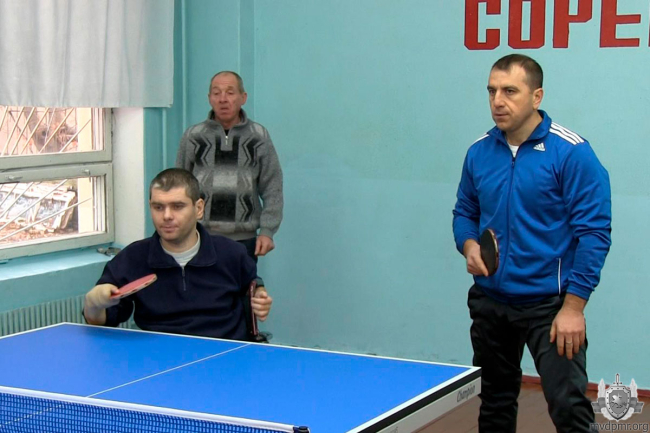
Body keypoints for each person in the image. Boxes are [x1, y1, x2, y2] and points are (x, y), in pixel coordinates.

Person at [452, 54, 611, 432]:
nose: (497, 101)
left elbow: (594, 234)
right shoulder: (479, 152)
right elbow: (465, 212)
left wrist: (574, 307)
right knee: (494, 404)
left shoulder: (571, 152)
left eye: (510, 91)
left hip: (551, 308)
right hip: (491, 301)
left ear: (536, 96)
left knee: (569, 410)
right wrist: (469, 245)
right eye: (492, 91)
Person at [83, 168, 273, 341]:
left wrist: (260, 294)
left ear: (198, 208)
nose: (166, 216)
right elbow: (102, 321)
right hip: (158, 354)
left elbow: (252, 283)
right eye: (158, 207)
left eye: (177, 206)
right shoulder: (132, 258)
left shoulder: (232, 253)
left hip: (224, 353)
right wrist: (93, 304)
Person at [176, 71, 283, 264]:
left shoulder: (259, 136)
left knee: (242, 285)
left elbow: (272, 186)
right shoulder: (193, 136)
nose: (223, 99)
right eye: (216, 93)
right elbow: (180, 186)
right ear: (209, 98)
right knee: (199, 284)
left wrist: (267, 231)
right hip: (198, 237)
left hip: (245, 241)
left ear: (243, 97)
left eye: (230, 92)